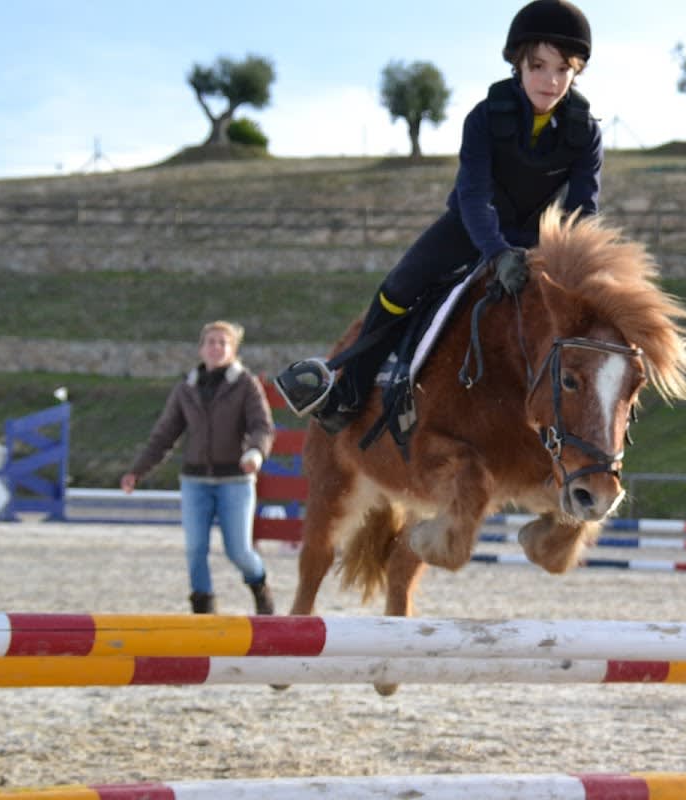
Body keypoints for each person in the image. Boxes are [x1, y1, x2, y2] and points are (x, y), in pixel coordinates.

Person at [275, 0, 602, 433]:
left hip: (539, 243)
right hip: (470, 229)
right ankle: (349, 392)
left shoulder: (587, 132)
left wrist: (568, 263)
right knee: (398, 286)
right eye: (539, 66)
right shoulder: (483, 118)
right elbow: (473, 195)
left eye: (564, 70)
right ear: (518, 65)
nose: (551, 80)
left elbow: (583, 210)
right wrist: (498, 252)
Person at [120, 321, 276, 615]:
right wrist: (136, 471)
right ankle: (203, 612)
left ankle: (260, 587)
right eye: (211, 342)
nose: (216, 347)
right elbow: (165, 434)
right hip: (195, 481)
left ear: (233, 349)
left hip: (235, 480)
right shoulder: (186, 388)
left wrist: (256, 452)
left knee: (239, 551)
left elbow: (262, 426)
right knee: (195, 550)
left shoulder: (245, 384)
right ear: (201, 348)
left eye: (223, 343)